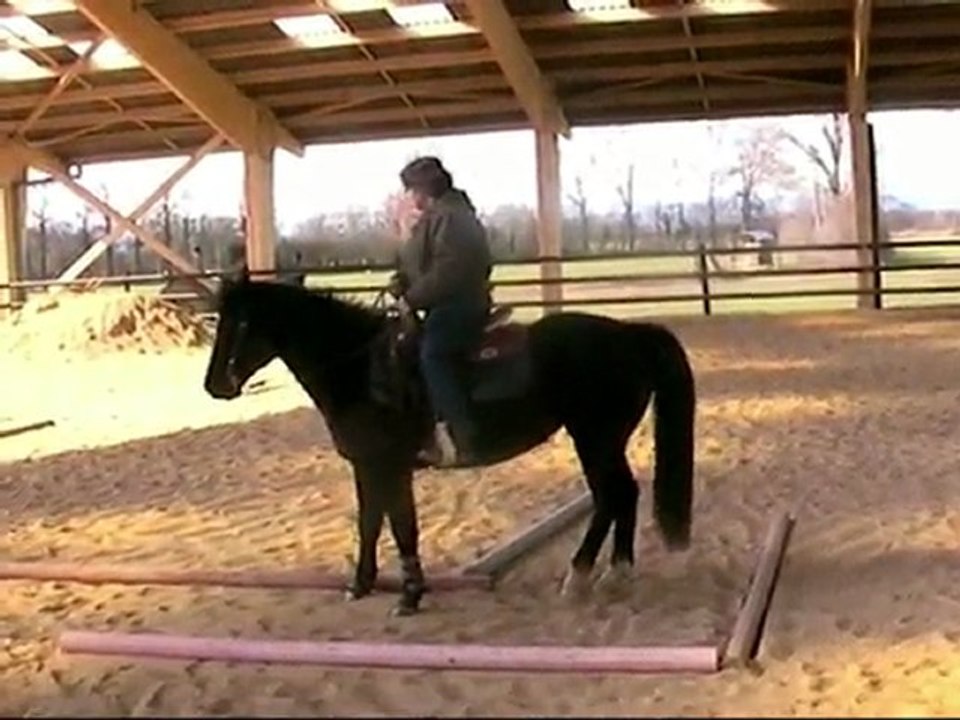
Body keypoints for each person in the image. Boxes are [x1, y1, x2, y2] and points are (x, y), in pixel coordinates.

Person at [389, 156, 493, 467]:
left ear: (425, 189)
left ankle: (464, 437)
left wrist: (413, 298)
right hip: (441, 302)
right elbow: (421, 262)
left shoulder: (454, 217)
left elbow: (450, 269)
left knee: (434, 355)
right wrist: (401, 280)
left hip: (461, 304)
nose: (411, 197)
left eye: (413, 190)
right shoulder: (435, 218)